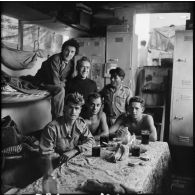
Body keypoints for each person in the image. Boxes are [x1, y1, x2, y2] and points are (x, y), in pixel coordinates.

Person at [24, 39, 80, 119]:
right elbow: (55, 82)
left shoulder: (71, 63)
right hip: (42, 82)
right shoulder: (55, 59)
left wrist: (66, 83)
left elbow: (69, 81)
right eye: (66, 50)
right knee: (60, 90)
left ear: (75, 54)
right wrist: (63, 83)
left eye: (72, 52)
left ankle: (68, 115)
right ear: (62, 50)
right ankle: (58, 118)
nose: (69, 54)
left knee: (70, 89)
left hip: (55, 83)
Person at [39, 92, 95, 164]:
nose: (73, 112)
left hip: (72, 159)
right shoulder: (51, 128)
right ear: (65, 107)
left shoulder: (80, 123)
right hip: (54, 164)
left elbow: (91, 141)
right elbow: (45, 155)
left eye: (76, 108)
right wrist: (63, 156)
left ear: (80, 110)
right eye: (70, 107)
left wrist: (74, 151)